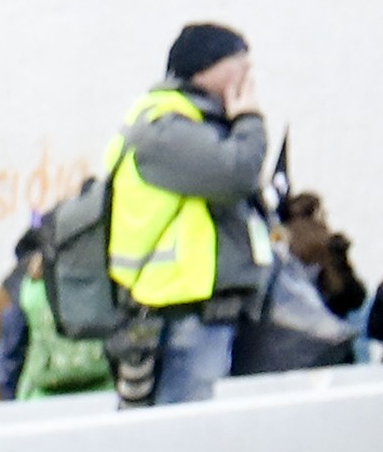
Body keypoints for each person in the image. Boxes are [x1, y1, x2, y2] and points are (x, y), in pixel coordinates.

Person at [99, 22, 271, 407]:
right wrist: (249, 120)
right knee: (186, 431)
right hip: (180, 317)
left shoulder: (199, 125)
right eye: (239, 63)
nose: (249, 75)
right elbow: (236, 172)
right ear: (203, 69)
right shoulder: (164, 127)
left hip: (202, 313)